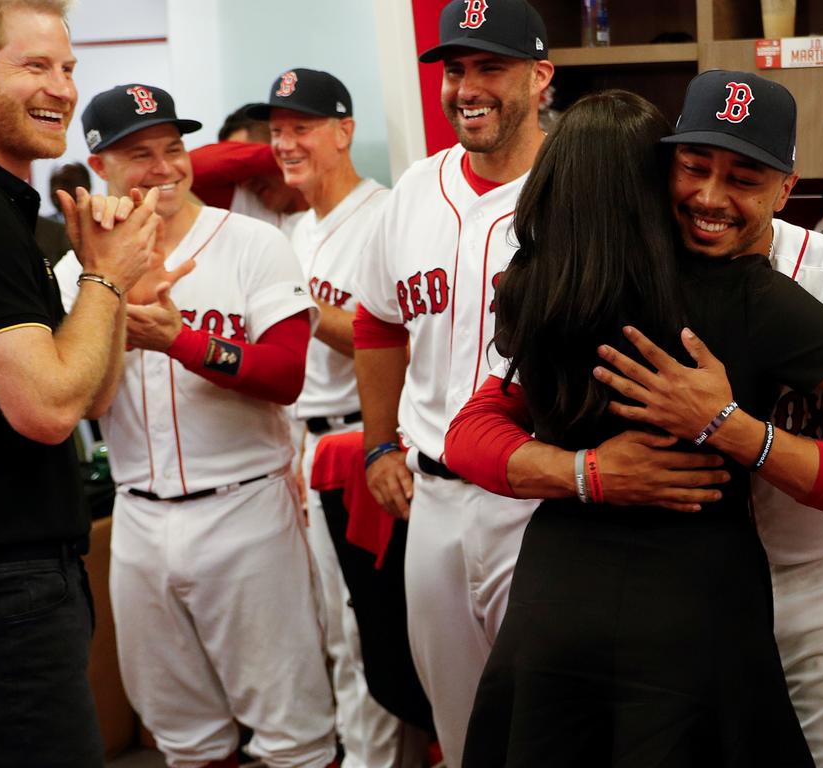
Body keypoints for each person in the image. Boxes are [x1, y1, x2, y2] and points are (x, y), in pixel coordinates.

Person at [447, 70, 823, 768]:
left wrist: (728, 424)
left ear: (786, 185)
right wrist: (589, 472)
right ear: (663, 171)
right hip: (699, 590)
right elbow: (471, 430)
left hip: (816, 578)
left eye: (744, 177)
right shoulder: (653, 279)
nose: (711, 197)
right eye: (694, 168)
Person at [54, 83, 337, 768]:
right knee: (185, 740)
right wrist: (116, 310)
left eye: (173, 148)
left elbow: (284, 376)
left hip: (246, 509)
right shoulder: (77, 272)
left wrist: (181, 340)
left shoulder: (252, 243)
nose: (164, 168)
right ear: (100, 169)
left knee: (293, 736)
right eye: (139, 154)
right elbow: (86, 404)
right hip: (139, 521)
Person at [352, 1, 554, 763]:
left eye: (490, 68)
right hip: (433, 497)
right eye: (455, 69)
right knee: (462, 729)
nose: (467, 87)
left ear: (540, 77)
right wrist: (378, 447)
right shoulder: (413, 190)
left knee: (549, 720)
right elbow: (376, 321)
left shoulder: (579, 187)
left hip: (540, 500)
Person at [0, 1, 159, 765]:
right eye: (33, 65)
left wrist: (97, 278)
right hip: (3, 586)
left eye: (68, 67)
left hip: (23, 574)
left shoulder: (10, 209)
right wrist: (108, 279)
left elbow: (95, 393)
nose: (61, 87)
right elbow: (49, 409)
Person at [248, 67, 401, 768]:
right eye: (277, 131)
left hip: (358, 442)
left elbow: (389, 338)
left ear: (344, 131)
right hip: (296, 448)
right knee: (326, 630)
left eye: (302, 128)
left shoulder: (384, 216)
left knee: (363, 626)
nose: (285, 144)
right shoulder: (292, 228)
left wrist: (298, 305)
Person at [190, 103, 306, 229]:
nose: (244, 181)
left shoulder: (327, 207)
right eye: (235, 165)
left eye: (248, 165)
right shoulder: (251, 212)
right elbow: (192, 167)